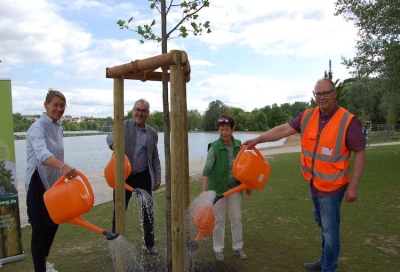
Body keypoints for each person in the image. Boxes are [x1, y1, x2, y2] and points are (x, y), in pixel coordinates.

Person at [243, 78, 366, 272]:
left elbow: (360, 152)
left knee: (330, 232)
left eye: (326, 93)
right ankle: (324, 261)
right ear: (314, 95)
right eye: (318, 93)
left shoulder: (348, 121)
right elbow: (284, 130)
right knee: (323, 226)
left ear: (335, 93)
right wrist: (259, 139)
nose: (322, 97)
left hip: (333, 188)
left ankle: (328, 268)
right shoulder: (307, 116)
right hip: (313, 183)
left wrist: (354, 186)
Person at [25, 89, 78, 272]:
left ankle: (44, 265)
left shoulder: (58, 127)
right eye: (55, 105)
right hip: (37, 182)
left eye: (62, 105)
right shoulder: (37, 128)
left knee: (53, 225)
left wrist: (63, 176)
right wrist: (64, 167)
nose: (59, 108)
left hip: (54, 183)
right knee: (40, 229)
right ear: (46, 105)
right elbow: (42, 155)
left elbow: (58, 153)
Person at [106, 99, 161, 255]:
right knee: (119, 211)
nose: (140, 113)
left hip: (143, 175)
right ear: (132, 110)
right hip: (124, 176)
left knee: (147, 211)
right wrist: (114, 145)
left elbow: (154, 157)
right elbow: (110, 137)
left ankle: (149, 245)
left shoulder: (152, 132)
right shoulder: (123, 126)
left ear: (148, 114)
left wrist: (157, 177)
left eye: (143, 111)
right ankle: (116, 248)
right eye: (137, 109)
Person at [202, 113, 252, 262]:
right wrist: (204, 190)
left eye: (227, 129)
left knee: (236, 218)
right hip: (217, 189)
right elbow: (207, 169)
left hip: (235, 189)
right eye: (221, 130)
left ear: (232, 129)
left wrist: (247, 185)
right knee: (219, 220)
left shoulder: (239, 145)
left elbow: (244, 167)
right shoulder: (214, 147)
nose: (224, 133)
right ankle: (218, 249)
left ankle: (237, 247)